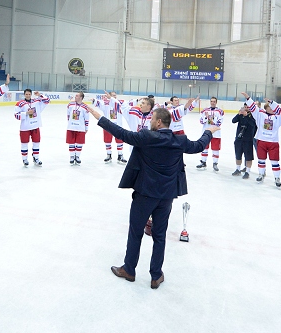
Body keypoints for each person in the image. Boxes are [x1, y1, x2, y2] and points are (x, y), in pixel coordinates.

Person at [85, 105, 218, 289]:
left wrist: (99, 117)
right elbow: (198, 146)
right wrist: (209, 132)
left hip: (145, 195)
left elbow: (122, 133)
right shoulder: (179, 140)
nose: (149, 122)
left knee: (136, 232)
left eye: (151, 119)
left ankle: (129, 270)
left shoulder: (147, 137)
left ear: (158, 121)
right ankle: (156, 275)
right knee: (159, 235)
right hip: (166, 197)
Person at [241, 93, 281, 186]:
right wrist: (248, 98)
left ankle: (277, 178)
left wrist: (273, 103)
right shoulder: (260, 114)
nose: (273, 109)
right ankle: (261, 174)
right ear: (267, 108)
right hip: (261, 140)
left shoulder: (278, 117)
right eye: (271, 107)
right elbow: (253, 107)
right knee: (261, 159)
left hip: (273, 142)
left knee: (274, 161)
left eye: (273, 107)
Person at [14, 88, 50, 166]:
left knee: (36, 143)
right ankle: (25, 159)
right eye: (26, 94)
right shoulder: (20, 104)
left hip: (35, 126)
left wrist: (40, 95)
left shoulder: (36, 101)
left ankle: (36, 158)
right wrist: (26, 113)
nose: (28, 95)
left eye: (29, 94)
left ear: (31, 94)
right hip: (25, 127)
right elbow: (16, 116)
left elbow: (47, 100)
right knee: (24, 144)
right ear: (24, 95)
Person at [93, 91, 127, 163]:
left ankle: (120, 155)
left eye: (115, 95)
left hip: (118, 125)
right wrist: (94, 100)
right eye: (113, 96)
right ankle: (109, 155)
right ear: (109, 96)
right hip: (108, 125)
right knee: (107, 140)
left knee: (119, 140)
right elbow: (98, 103)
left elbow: (128, 104)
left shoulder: (119, 103)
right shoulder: (105, 104)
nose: (115, 97)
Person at [197, 97, 224, 171]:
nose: (212, 103)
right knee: (204, 147)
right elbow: (201, 121)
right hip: (206, 132)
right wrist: (206, 118)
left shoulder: (220, 111)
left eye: (214, 101)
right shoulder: (204, 111)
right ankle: (203, 162)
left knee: (215, 149)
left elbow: (220, 122)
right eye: (211, 101)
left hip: (215, 133)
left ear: (216, 102)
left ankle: (215, 163)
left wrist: (213, 122)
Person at [231, 104, 257, 178]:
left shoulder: (253, 115)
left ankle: (247, 171)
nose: (246, 108)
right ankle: (237, 169)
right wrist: (238, 114)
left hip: (248, 139)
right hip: (239, 138)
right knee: (238, 154)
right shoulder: (240, 115)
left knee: (248, 156)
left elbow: (253, 124)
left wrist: (246, 116)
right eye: (245, 107)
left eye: (248, 107)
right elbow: (233, 121)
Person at [66, 92, 89, 165]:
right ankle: (72, 156)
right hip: (71, 127)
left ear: (81, 98)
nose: (75, 97)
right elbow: (68, 115)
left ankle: (77, 156)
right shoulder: (70, 104)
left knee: (79, 143)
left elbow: (87, 118)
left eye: (77, 96)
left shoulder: (85, 107)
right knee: (71, 142)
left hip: (80, 128)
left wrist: (86, 128)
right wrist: (70, 122)